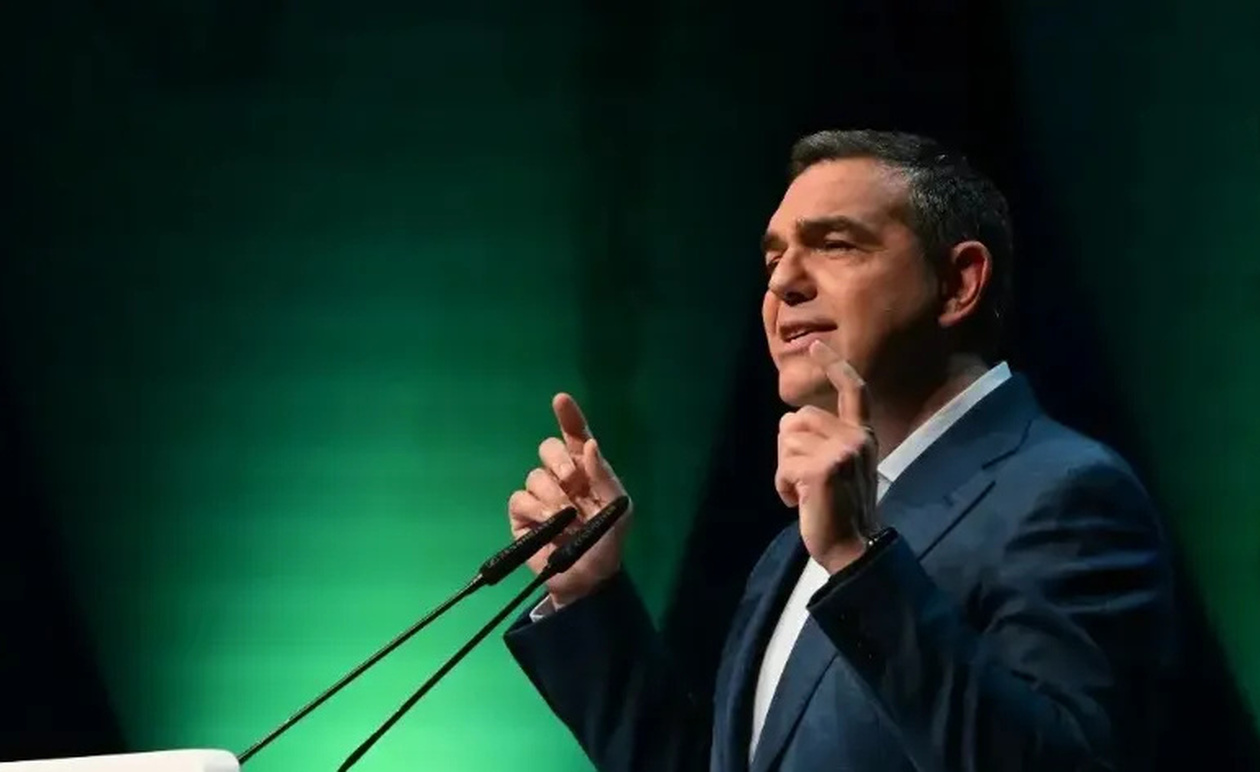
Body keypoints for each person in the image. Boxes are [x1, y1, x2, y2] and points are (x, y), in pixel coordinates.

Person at [501, 129, 1177, 772]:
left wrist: (858, 561)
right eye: (773, 260)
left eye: (835, 245)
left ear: (959, 283)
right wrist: (588, 593)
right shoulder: (791, 549)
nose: (782, 284)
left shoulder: (1067, 493)